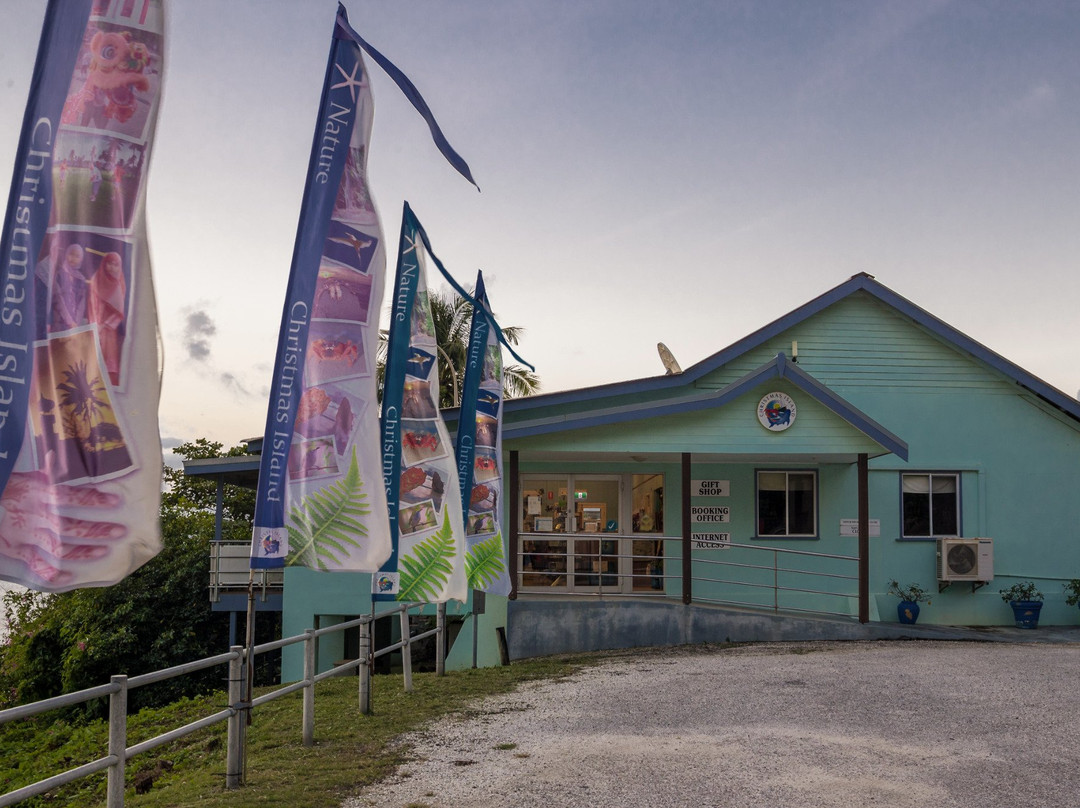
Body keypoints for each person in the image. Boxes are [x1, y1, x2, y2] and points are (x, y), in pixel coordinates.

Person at [87, 251, 126, 385]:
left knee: (109, 359)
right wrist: (95, 324)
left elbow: (119, 312)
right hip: (94, 324)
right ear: (104, 264)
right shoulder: (96, 279)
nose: (112, 267)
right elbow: (91, 303)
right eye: (109, 263)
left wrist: (106, 325)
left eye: (116, 265)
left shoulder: (119, 283)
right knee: (92, 358)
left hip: (110, 330)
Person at [51, 242, 87, 331]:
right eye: (71, 254)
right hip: (59, 321)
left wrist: (76, 322)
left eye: (77, 256)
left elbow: (82, 303)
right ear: (66, 254)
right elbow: (59, 300)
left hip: (74, 325)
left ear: (81, 259)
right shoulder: (59, 275)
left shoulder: (81, 279)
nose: (73, 258)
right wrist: (69, 321)